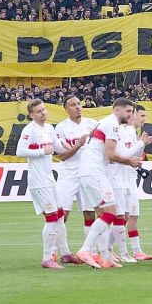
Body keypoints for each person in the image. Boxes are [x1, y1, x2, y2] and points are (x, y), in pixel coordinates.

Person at [75, 98, 143, 268]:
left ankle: (105, 257)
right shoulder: (112, 124)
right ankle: (86, 250)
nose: (130, 115)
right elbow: (111, 155)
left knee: (102, 215)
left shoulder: (104, 123)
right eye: (128, 111)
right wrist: (130, 162)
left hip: (88, 172)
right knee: (111, 213)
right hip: (95, 173)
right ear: (117, 110)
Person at [17, 99, 83, 269]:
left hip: (49, 179)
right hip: (38, 181)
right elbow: (19, 151)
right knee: (52, 218)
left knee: (60, 215)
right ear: (32, 115)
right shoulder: (29, 130)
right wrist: (41, 151)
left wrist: (68, 146)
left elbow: (57, 148)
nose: (43, 113)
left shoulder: (49, 128)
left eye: (44, 109)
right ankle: (47, 258)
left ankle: (66, 254)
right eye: (39, 111)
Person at [110, 103, 152, 263]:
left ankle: (111, 249)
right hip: (117, 178)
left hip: (129, 178)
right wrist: (141, 144)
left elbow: (132, 156)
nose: (143, 119)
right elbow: (122, 155)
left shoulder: (130, 131)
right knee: (121, 216)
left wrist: (141, 146)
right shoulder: (118, 130)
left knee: (128, 215)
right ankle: (125, 252)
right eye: (141, 115)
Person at [54, 96, 99, 243]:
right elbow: (62, 156)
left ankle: (90, 251)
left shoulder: (92, 124)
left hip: (88, 174)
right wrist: (79, 144)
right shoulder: (61, 127)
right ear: (66, 109)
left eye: (79, 104)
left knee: (90, 214)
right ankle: (56, 251)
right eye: (73, 105)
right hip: (69, 174)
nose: (78, 107)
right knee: (61, 214)